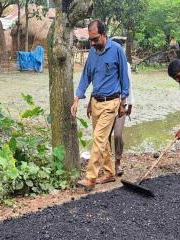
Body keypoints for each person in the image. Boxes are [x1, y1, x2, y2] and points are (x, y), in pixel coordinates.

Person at [71, 20, 130, 190]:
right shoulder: (92, 53)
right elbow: (86, 77)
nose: (92, 43)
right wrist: (78, 98)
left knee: (98, 139)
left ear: (104, 35)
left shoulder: (117, 50)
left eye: (95, 39)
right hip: (96, 102)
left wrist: (123, 101)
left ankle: (90, 178)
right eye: (91, 39)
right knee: (101, 140)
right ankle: (110, 173)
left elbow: (124, 78)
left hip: (111, 103)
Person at [86, 38, 134, 177]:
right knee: (103, 137)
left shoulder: (126, 65)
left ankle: (117, 163)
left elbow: (128, 85)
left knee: (117, 134)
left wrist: (127, 105)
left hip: (120, 104)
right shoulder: (103, 59)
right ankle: (108, 170)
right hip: (104, 102)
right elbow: (98, 84)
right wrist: (90, 103)